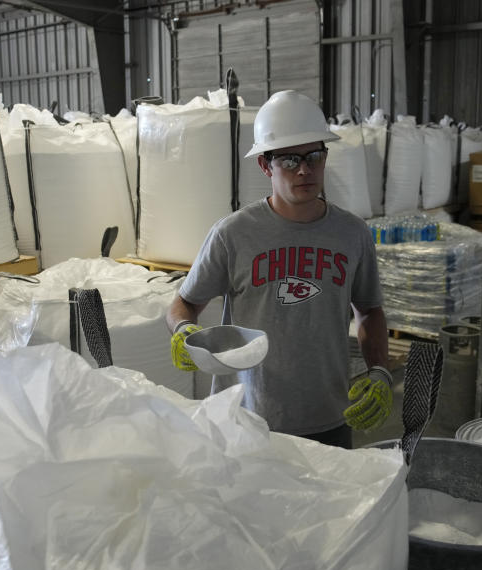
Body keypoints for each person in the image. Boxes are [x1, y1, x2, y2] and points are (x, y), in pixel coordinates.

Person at [165, 90, 392, 448]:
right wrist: (183, 329)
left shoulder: (352, 234)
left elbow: (369, 311)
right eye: (288, 160)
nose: (304, 170)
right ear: (264, 165)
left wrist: (379, 370)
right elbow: (184, 304)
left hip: (329, 416)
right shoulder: (233, 234)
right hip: (245, 417)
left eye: (314, 156)